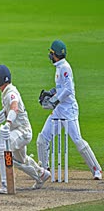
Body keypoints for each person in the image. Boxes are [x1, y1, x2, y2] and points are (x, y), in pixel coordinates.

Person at [37, 40, 102, 180]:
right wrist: (52, 92)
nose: (50, 56)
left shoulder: (65, 67)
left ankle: (96, 169)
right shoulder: (59, 67)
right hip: (59, 110)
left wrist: (55, 100)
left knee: (78, 141)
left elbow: (69, 89)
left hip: (69, 111)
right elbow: (61, 87)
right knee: (43, 138)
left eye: (51, 53)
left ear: (55, 54)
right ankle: (44, 170)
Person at [0, 65, 50, 194]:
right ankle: (41, 174)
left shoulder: (10, 93)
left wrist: (7, 123)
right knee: (20, 160)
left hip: (22, 132)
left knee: (1, 145)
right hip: (18, 131)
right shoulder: (7, 91)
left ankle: (5, 184)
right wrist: (4, 113)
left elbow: (15, 107)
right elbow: (12, 109)